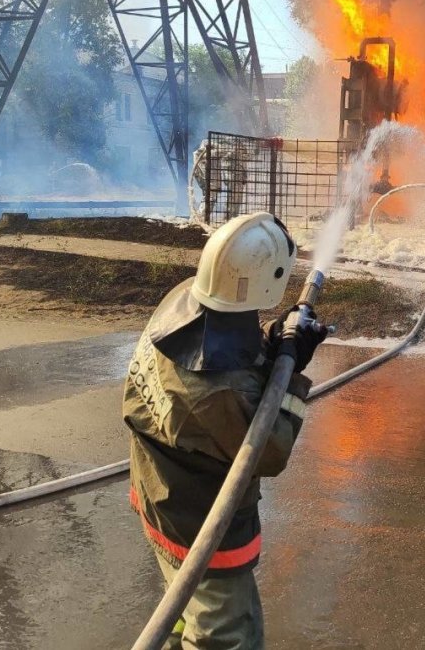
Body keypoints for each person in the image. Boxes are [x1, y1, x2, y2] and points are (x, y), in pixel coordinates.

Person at [123, 212, 328, 649]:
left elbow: (230, 349)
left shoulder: (182, 303)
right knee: (225, 632)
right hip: (200, 523)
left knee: (181, 606)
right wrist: (292, 375)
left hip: (158, 495)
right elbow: (268, 451)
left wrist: (273, 342)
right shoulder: (218, 393)